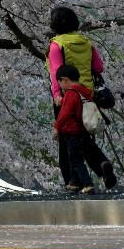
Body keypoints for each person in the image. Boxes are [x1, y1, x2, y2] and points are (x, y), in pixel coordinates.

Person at [48, 6, 117, 191]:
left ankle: (74, 180)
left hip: (67, 96)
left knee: (68, 138)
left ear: (55, 24)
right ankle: (98, 167)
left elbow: (56, 73)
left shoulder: (57, 45)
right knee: (83, 135)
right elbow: (99, 67)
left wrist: (56, 95)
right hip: (87, 95)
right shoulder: (87, 42)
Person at [54, 64, 97, 193]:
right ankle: (74, 183)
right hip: (82, 130)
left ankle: (88, 184)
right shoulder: (82, 91)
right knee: (73, 157)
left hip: (73, 131)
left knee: (76, 160)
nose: (60, 86)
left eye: (59, 82)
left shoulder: (71, 93)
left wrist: (57, 127)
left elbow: (65, 113)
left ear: (64, 80)